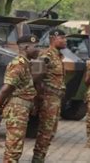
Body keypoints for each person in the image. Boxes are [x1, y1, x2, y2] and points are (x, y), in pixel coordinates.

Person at [0, 35, 40, 163]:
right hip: (17, 110)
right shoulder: (18, 64)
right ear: (26, 47)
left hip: (21, 109)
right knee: (13, 149)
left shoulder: (25, 63)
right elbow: (6, 89)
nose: (38, 50)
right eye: (36, 47)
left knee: (15, 148)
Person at [31, 29, 67, 163]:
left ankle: (40, 158)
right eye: (62, 38)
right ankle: (37, 160)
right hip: (48, 98)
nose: (65, 41)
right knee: (45, 133)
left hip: (55, 99)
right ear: (53, 38)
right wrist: (39, 97)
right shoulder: (46, 55)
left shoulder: (58, 55)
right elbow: (35, 77)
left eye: (65, 38)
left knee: (50, 133)